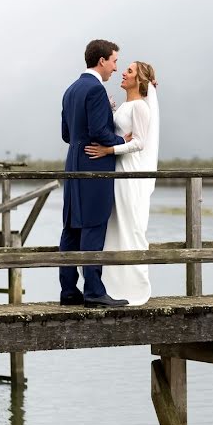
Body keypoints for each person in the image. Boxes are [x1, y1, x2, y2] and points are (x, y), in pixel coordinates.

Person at [59, 39, 130, 308]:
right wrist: (124, 142)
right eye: (114, 61)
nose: (115, 67)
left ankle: (68, 290)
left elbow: (66, 134)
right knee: (93, 224)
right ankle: (94, 291)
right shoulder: (96, 90)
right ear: (101, 60)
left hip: (73, 163)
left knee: (71, 226)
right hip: (94, 163)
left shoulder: (71, 90)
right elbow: (101, 133)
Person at [85, 61, 159, 306]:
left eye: (129, 71)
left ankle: (136, 284)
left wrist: (109, 149)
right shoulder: (127, 105)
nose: (123, 73)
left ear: (139, 80)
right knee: (115, 223)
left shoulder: (139, 107)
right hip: (117, 170)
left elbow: (139, 143)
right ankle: (113, 284)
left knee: (131, 223)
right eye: (124, 68)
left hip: (129, 171)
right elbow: (121, 132)